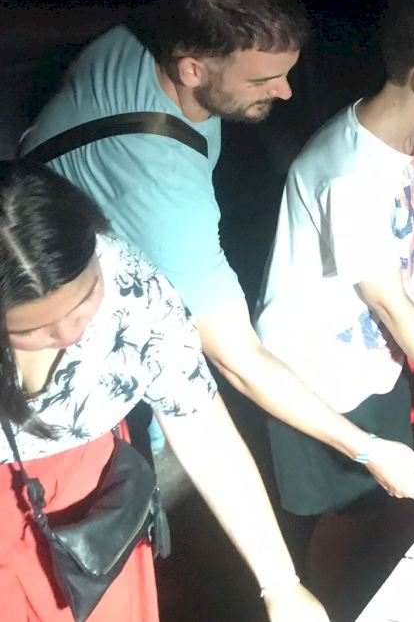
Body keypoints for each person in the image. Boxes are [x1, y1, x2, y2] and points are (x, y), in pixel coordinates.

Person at [19, 0, 414, 520]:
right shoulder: (163, 193)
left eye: (285, 72)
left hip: (62, 197)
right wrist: (368, 448)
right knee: (124, 483)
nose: (286, 92)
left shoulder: (150, 32)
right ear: (191, 68)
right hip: (64, 299)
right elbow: (240, 359)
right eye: (262, 80)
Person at [255, 0, 414, 599]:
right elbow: (388, 301)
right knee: (343, 516)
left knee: (387, 496)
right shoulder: (350, 171)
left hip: (374, 362)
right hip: (318, 372)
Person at [0, 160, 328, 622]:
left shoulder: (128, 281)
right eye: (30, 331)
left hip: (96, 507)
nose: (71, 334)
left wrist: (281, 584)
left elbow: (200, 425)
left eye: (85, 299)